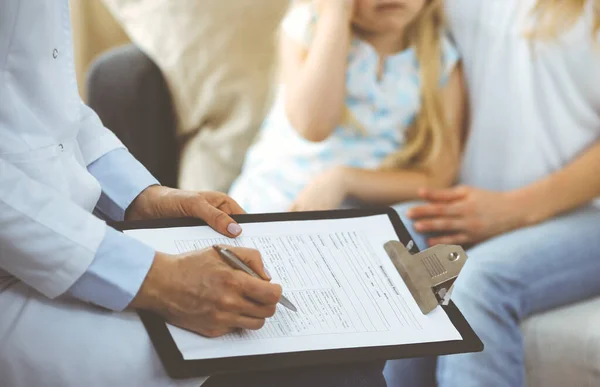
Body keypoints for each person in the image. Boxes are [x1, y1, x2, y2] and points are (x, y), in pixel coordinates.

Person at [0, 1, 386, 386]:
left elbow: (55, 112)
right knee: (329, 371)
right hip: (17, 277)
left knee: (353, 363)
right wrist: (156, 279)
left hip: (75, 238)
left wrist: (142, 197)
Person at [384, 0, 600, 386]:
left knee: (478, 282)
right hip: (477, 199)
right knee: (388, 244)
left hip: (586, 214)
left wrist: (516, 209)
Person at [229, 0, 466, 213]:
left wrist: (345, 180)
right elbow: (313, 127)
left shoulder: (439, 57)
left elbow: (438, 176)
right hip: (271, 199)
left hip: (355, 216)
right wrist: (335, 13)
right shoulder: (307, 27)